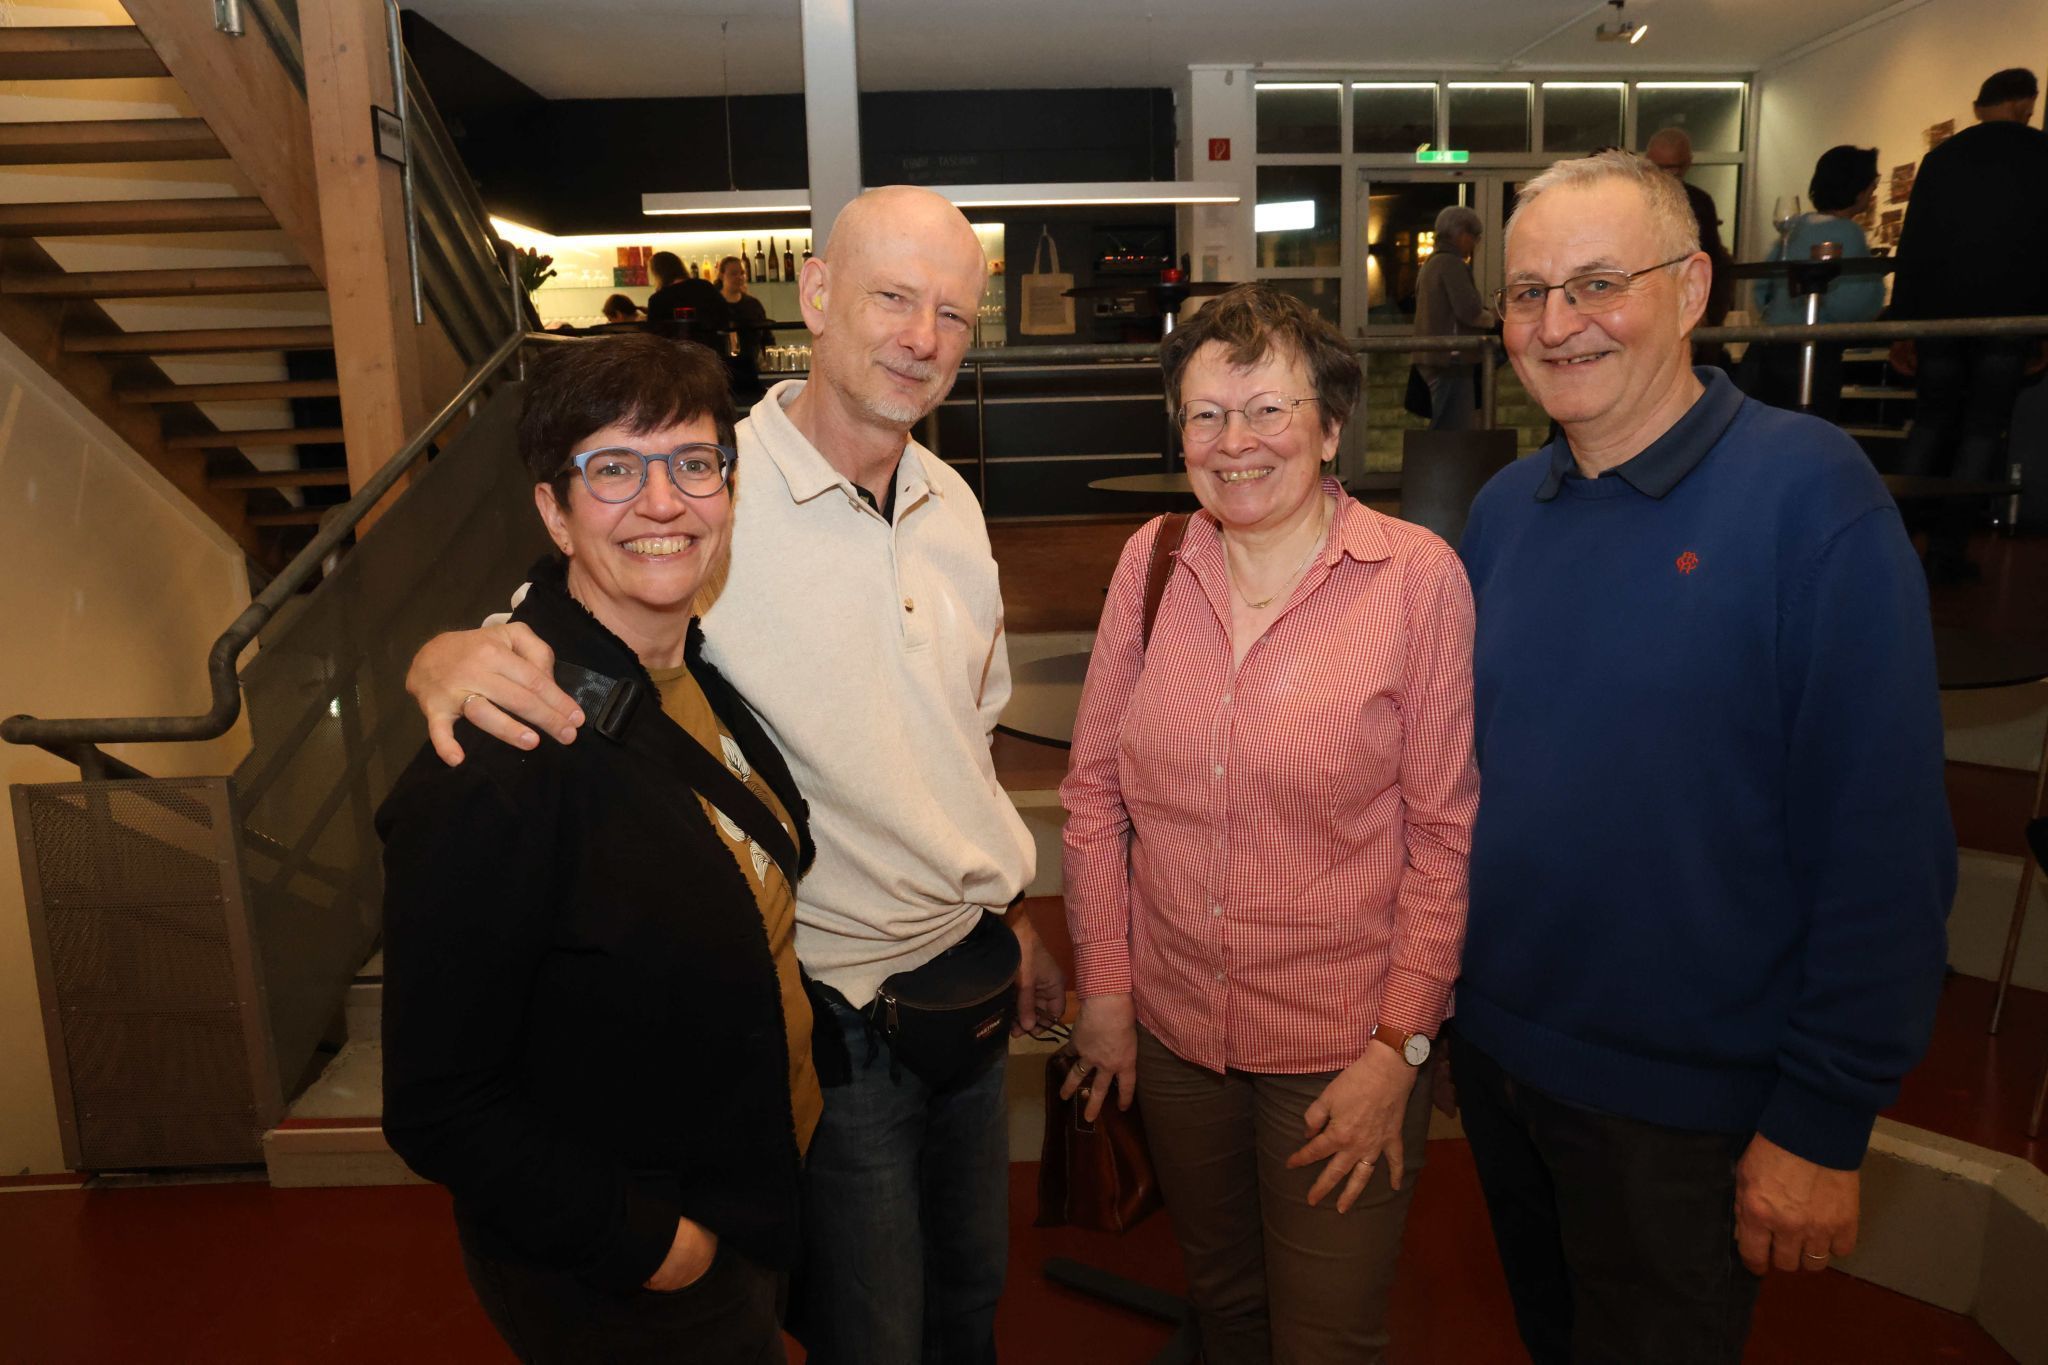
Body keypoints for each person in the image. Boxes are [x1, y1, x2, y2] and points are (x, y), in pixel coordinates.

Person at [402, 185, 1063, 1365]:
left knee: (968, 1309)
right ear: (814, 295)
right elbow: (558, 632)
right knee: (872, 1335)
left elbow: (967, 735)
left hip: (964, 987)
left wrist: (1009, 912)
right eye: (893, 298)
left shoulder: (951, 501)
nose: (923, 336)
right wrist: (442, 656)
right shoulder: (710, 485)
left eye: (953, 315)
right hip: (834, 1011)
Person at [1456, 149, 1955, 1365]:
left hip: (1681, 1110)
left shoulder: (1810, 497)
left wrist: (1824, 1119)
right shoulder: (1498, 513)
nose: (1555, 323)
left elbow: (1881, 838)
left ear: (1689, 288)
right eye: (1526, 293)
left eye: (1594, 283)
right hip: (1499, 1064)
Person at [1061, 283, 1478, 1364]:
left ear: (1331, 426)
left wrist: (1399, 1050)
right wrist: (1105, 991)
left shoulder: (1414, 580)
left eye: (1267, 411)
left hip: (1340, 1048)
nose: (1231, 442)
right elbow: (1093, 794)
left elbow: (1440, 836)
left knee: (1324, 1339)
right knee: (1225, 1307)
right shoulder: (1150, 565)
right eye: (1204, 415)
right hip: (1176, 1033)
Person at [379, 333, 814, 1363]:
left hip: (744, 1193)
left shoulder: (679, 676)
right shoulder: (498, 756)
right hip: (629, 1273)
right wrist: (653, 1245)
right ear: (551, 509)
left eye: (693, 464)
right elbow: (439, 1103)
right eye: (614, 469)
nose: (663, 503)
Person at [1888, 67, 2048, 580]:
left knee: (1930, 423)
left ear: (1982, 104)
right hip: (2011, 315)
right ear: (2026, 102)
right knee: (1983, 430)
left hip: (1941, 317)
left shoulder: (1942, 160)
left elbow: (1914, 247)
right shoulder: (2041, 156)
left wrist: (1904, 325)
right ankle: (1947, 551)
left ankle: (1891, 545)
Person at [1741, 145, 1885, 421]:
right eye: (1873, 185)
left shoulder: (1795, 227)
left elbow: (1763, 287)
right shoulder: (1849, 233)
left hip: (1769, 350)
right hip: (1814, 355)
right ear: (1859, 189)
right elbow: (1855, 305)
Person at [1645, 127, 1735, 366]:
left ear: (1687, 165)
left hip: (1691, 316)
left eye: (1672, 168)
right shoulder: (1634, 202)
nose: (1666, 175)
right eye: (1658, 167)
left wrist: (1708, 320)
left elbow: (1713, 265)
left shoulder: (1700, 204)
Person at [1413, 204, 1498, 431]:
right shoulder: (1451, 264)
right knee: (1453, 426)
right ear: (1461, 234)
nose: (1474, 245)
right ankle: (1445, 466)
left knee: (1445, 421)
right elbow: (1468, 311)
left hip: (1434, 355)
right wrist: (1493, 317)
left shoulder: (1431, 263)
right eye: (1475, 237)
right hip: (1451, 357)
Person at [646, 249, 731, 345]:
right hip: (712, 349)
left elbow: (654, 336)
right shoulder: (704, 286)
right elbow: (724, 315)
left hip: (677, 354)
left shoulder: (658, 299)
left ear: (658, 274)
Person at [719, 254, 772, 365]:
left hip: (751, 367)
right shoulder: (715, 304)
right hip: (723, 367)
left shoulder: (753, 304)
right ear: (721, 275)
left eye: (742, 273)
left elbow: (767, 338)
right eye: (733, 273)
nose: (739, 277)